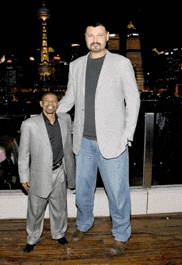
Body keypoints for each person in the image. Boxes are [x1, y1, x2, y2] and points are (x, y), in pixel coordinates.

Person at [57, 22, 140, 255]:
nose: (95, 39)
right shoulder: (76, 66)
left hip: (114, 142)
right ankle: (83, 225)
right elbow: (70, 99)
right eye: (91, 35)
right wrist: (50, 113)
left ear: (107, 38)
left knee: (117, 192)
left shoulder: (122, 64)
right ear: (85, 39)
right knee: (83, 190)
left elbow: (133, 101)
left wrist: (127, 135)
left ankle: (121, 234)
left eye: (99, 35)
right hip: (83, 141)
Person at [18, 92, 75, 253]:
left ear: (58, 104)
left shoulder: (65, 120)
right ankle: (32, 238)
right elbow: (23, 153)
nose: (50, 103)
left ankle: (58, 233)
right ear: (41, 104)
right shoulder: (29, 124)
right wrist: (24, 176)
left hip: (59, 171)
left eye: (54, 101)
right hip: (38, 174)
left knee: (59, 207)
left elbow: (69, 144)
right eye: (47, 101)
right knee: (35, 210)